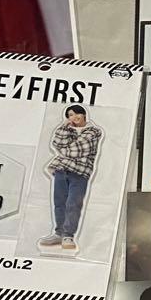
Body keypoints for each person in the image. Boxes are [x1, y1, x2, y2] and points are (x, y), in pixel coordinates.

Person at [37, 105, 104, 254]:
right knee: (59, 203)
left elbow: (76, 151)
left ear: (83, 114)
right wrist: (64, 126)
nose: (74, 117)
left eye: (76, 114)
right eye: (70, 115)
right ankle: (59, 233)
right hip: (61, 170)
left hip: (80, 172)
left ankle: (68, 236)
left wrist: (63, 150)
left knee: (73, 204)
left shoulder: (93, 132)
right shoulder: (68, 129)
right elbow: (56, 143)